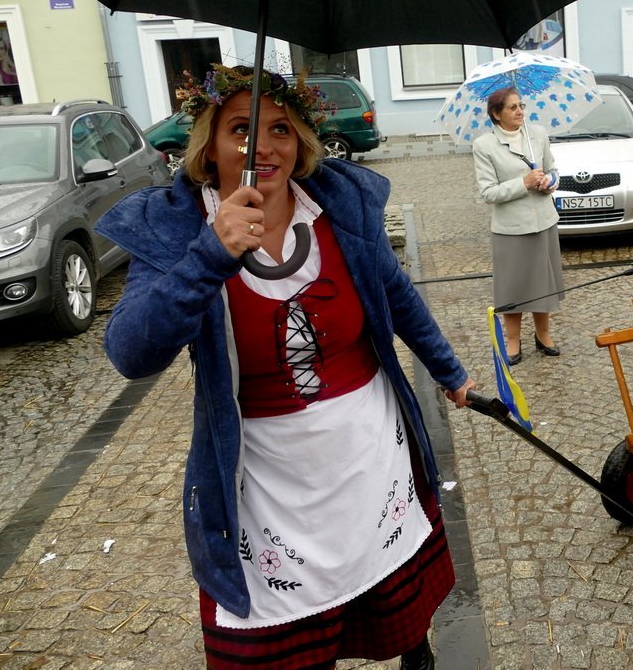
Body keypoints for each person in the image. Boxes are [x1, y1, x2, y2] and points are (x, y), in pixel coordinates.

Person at [97, 64, 475, 670]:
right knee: (282, 646)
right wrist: (208, 256)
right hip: (266, 473)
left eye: (279, 128)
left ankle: (416, 653)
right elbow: (130, 354)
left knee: (394, 593)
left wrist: (450, 372)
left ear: (300, 141)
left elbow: (395, 293)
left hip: (366, 447)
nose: (262, 146)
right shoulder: (176, 227)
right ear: (208, 146)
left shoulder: (338, 207)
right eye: (239, 130)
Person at [471, 86, 563, 365]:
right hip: (511, 228)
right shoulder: (484, 146)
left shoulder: (537, 134)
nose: (520, 111)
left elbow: (554, 169)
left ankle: (543, 334)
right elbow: (488, 193)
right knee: (514, 286)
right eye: (512, 107)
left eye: (521, 105)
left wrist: (550, 182)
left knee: (543, 282)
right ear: (496, 114)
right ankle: (512, 340)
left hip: (544, 222)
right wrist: (523, 183)